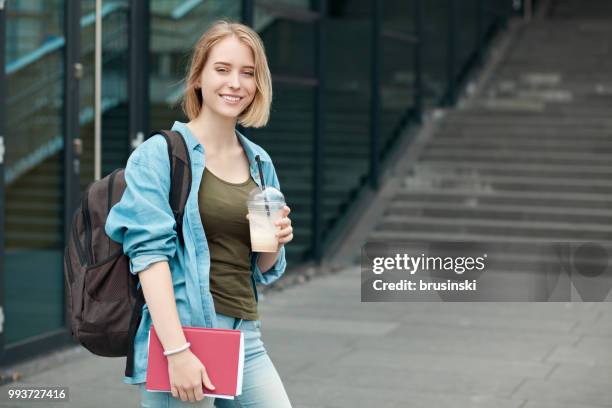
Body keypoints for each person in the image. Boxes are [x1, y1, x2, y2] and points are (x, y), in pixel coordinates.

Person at [105, 20, 294, 407]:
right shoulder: (160, 156)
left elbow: (261, 267)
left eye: (247, 73)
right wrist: (177, 351)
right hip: (184, 335)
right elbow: (149, 258)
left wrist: (275, 240)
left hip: (246, 337)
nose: (235, 83)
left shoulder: (259, 162)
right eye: (222, 70)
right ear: (199, 78)